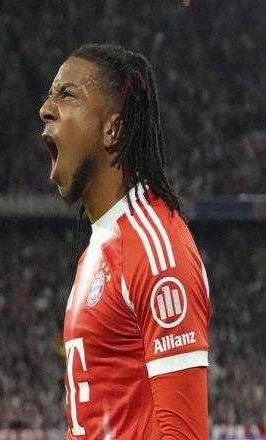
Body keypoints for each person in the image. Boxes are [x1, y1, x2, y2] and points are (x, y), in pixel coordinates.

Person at [39, 44, 211, 439]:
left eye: (67, 94)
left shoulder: (157, 249)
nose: (46, 108)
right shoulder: (98, 246)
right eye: (50, 94)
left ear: (112, 129)